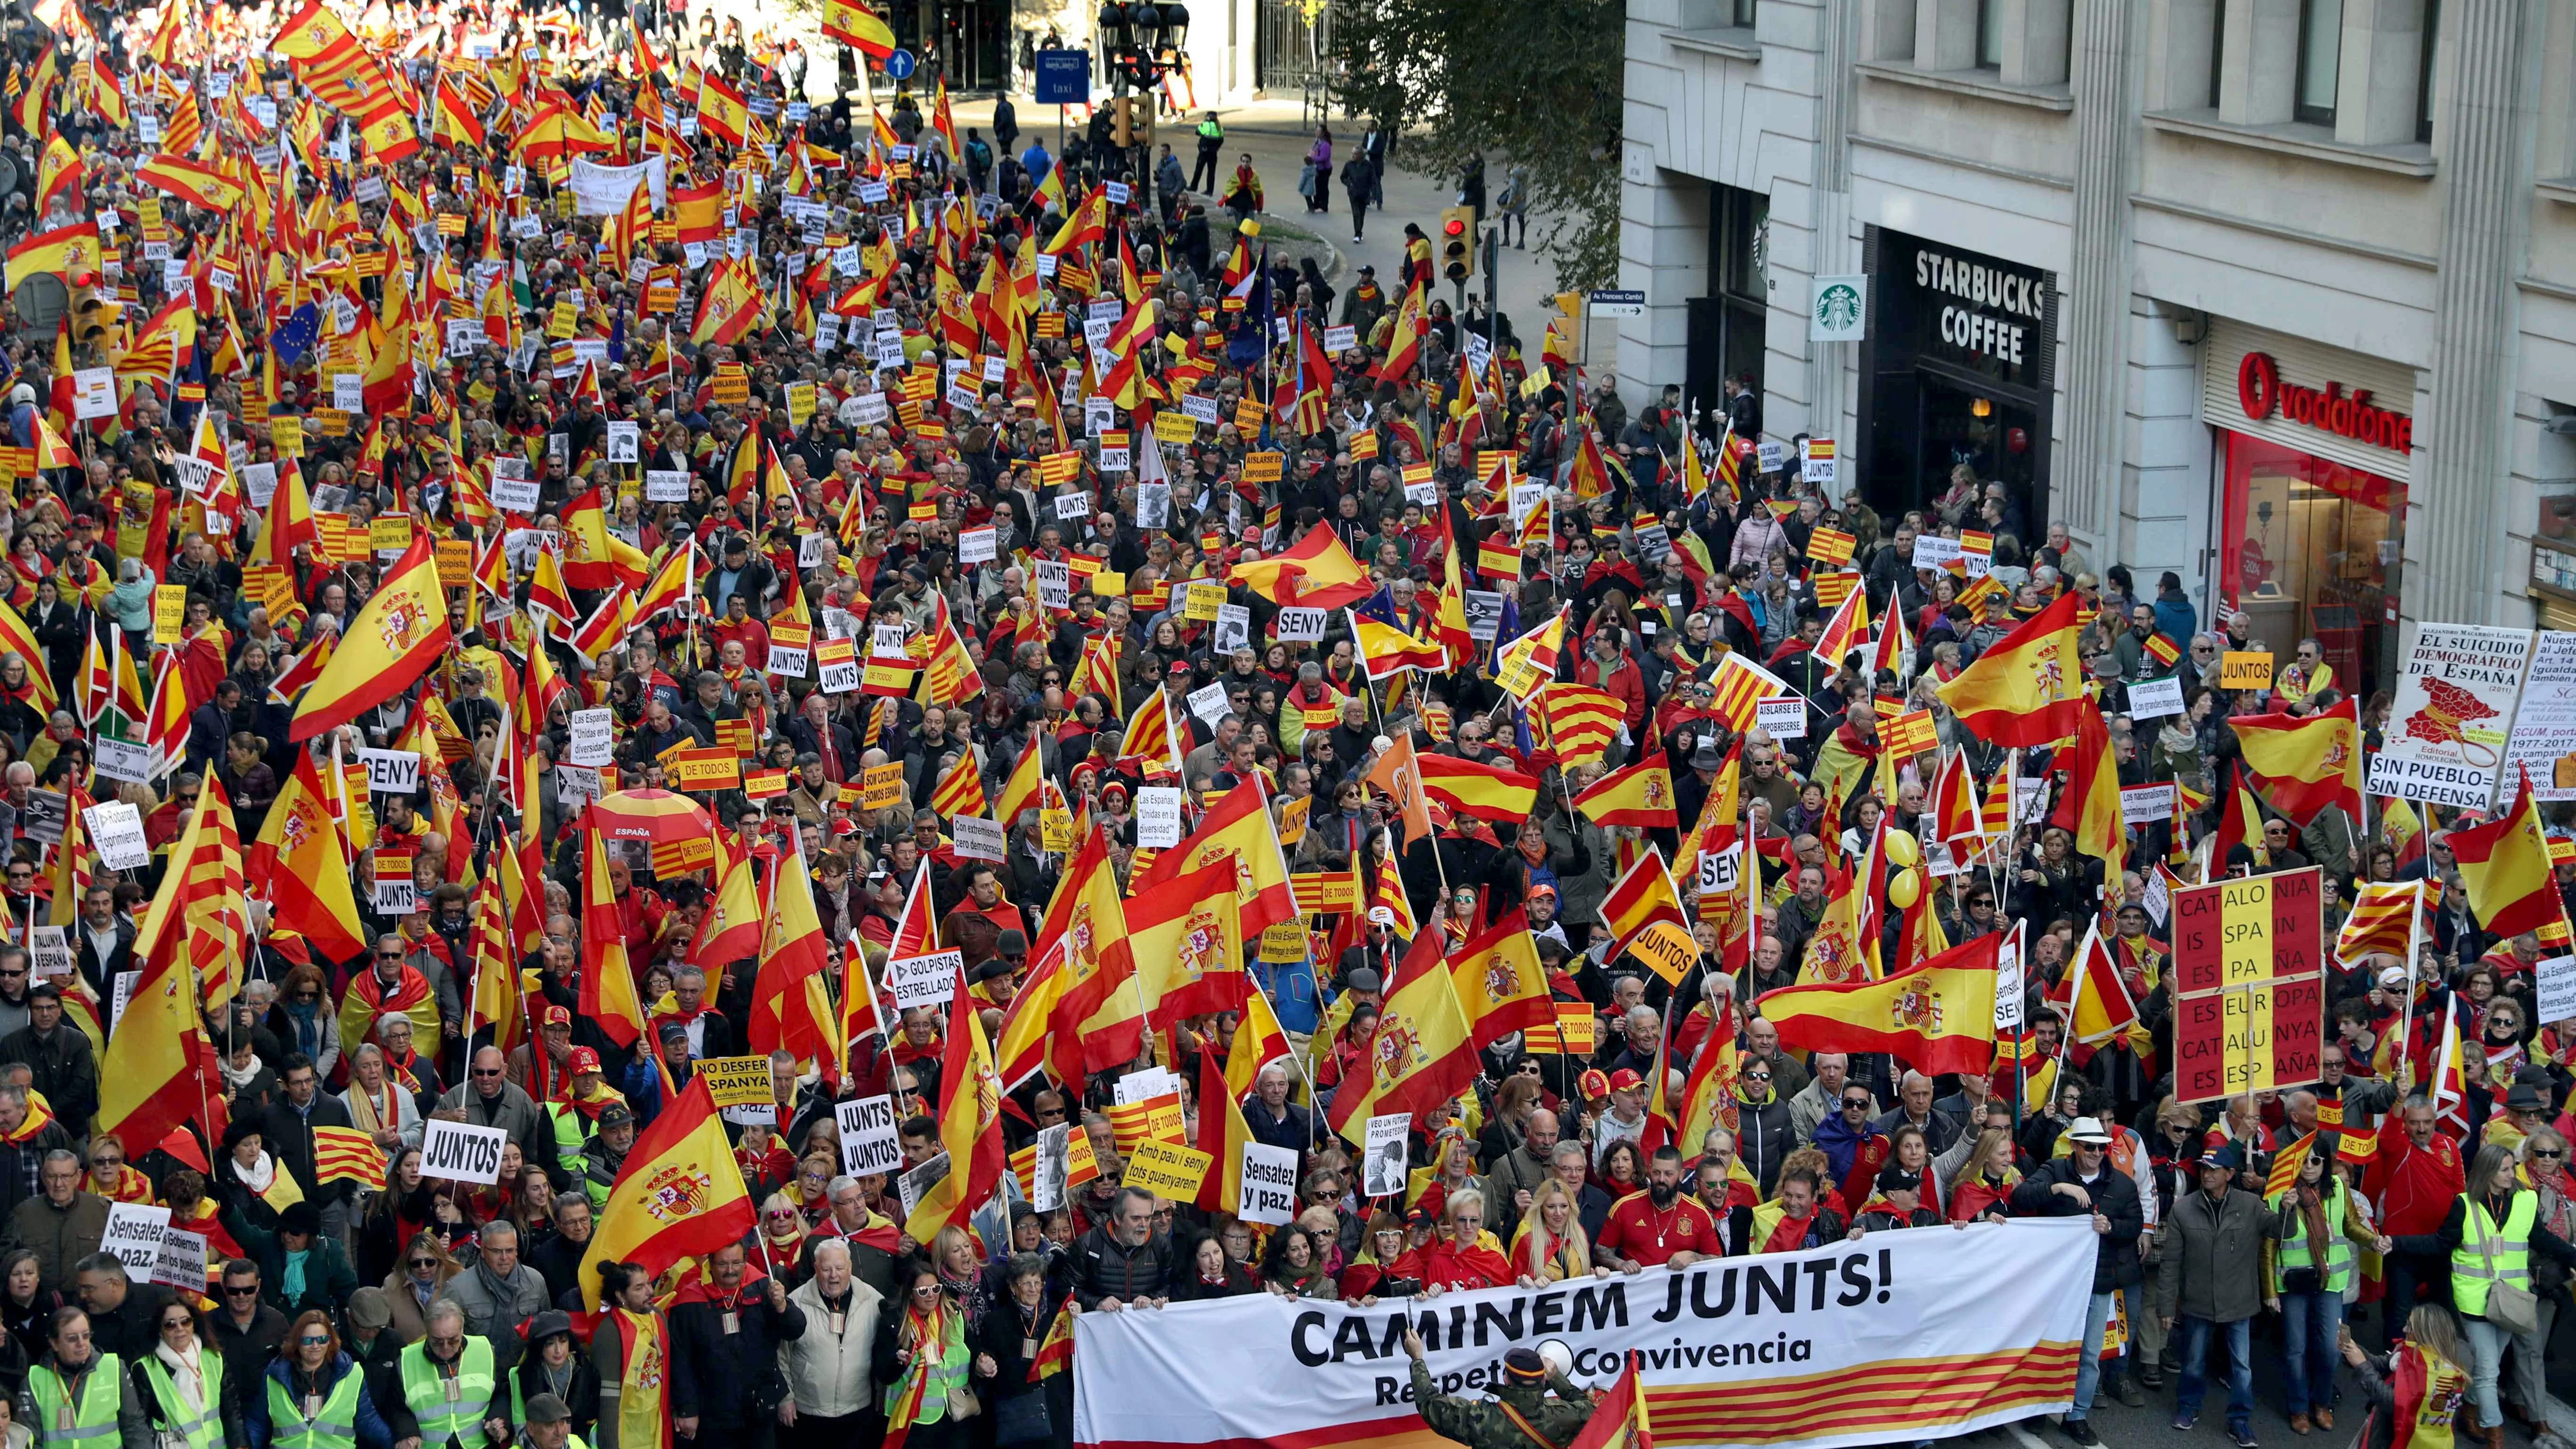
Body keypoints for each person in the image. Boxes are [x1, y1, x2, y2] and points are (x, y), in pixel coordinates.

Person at [2009, 1119, 2143, 1445]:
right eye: (2090, 1147)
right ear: (2075, 1146)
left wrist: (2111, 1228)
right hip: (2056, 1284)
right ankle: (2039, 1407)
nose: (2097, 1153)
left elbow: (2135, 1225)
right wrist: (2058, 1188)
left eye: (2102, 1147)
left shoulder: (2122, 1184)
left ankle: (2078, 1415)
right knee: (2048, 1346)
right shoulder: (2054, 1170)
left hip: (2098, 1282)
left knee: (2089, 1354)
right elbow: (2020, 1197)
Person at [2157, 1145, 2267, 1448]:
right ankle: (2188, 1408)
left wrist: (2288, 1208)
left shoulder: (2252, 1205)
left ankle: (2240, 1421)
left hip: (2239, 1302)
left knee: (2241, 1367)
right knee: (2193, 1362)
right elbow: (2171, 1262)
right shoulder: (2183, 1209)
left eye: (2214, 1169)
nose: (2206, 1174)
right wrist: (2167, 1306)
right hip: (2198, 1301)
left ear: (2230, 1175)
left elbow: (2282, 1231)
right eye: (2204, 1169)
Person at [2265, 1139, 2373, 1435]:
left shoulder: (2338, 1188)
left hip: (2330, 1282)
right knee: (2295, 1349)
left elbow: (2350, 1225)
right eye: (2304, 1161)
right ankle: (2299, 1408)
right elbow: (2270, 1245)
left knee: (2329, 1349)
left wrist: (2374, 1241)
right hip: (2293, 1282)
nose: (2309, 1167)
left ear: (2326, 1163)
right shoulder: (2279, 1193)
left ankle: (2322, 1403)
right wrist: (2270, 1291)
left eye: (2317, 1161)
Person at [776, 1239, 880, 1449]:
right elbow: (781, 1357)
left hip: (858, 1410)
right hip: (809, 1413)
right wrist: (785, 1399)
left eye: (840, 1268)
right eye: (826, 1269)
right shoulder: (795, 1303)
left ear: (850, 1267)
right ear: (816, 1269)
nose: (834, 1275)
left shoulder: (873, 1300)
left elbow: (884, 1351)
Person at [247, 1311, 390, 1449]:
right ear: (297, 1342)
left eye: (322, 1340)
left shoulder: (353, 1374)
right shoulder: (274, 1376)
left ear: (330, 1341)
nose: (316, 1346)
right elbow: (258, 1424)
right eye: (308, 1341)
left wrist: (398, 1443)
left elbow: (368, 1421)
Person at [129, 1298, 248, 1449]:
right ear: (160, 1331)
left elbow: (231, 1410)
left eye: (186, 1322)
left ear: (194, 1324)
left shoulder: (213, 1358)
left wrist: (240, 1445)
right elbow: (140, 1425)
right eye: (170, 1325)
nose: (180, 1328)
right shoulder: (145, 1368)